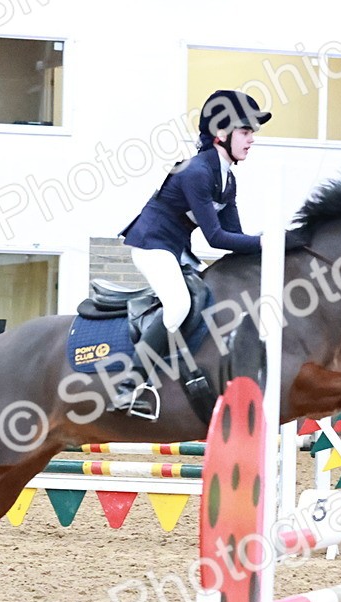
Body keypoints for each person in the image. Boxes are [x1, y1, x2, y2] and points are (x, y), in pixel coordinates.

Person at [113, 89, 304, 416]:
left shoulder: (226, 179)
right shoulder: (196, 171)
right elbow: (216, 238)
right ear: (220, 134)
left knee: (211, 297)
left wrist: (279, 250)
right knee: (178, 305)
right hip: (150, 245)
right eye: (245, 132)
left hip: (176, 249)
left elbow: (236, 239)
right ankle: (128, 384)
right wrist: (269, 242)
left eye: (251, 133)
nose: (251, 139)